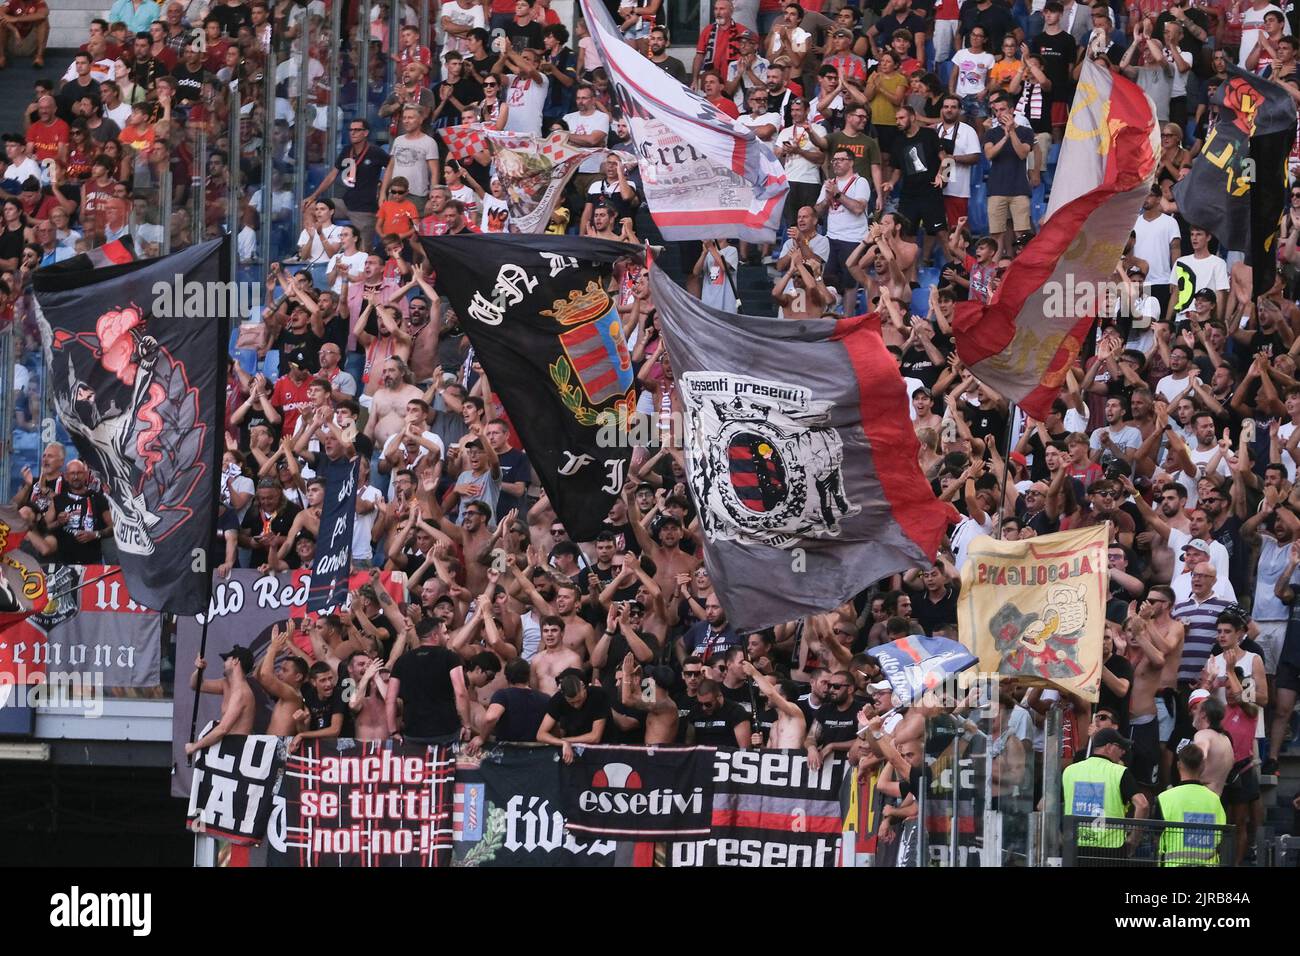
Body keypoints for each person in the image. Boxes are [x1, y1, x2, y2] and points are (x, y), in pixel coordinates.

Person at [1060, 728, 1150, 857]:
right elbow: (1143, 805)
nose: (1124, 752)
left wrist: (1059, 838)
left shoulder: (1069, 771)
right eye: (1121, 747)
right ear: (1109, 747)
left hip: (1074, 847)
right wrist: (1133, 840)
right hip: (1110, 849)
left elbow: (1044, 805)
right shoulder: (1119, 772)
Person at [387, 616, 473, 744]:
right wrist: (467, 725)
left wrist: (393, 731)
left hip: (413, 732)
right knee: (445, 765)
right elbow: (460, 692)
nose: (448, 637)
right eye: (444, 633)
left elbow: (390, 699)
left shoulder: (402, 661)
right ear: (435, 636)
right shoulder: (450, 657)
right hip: (446, 732)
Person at [1154, 742, 1228, 865]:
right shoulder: (1214, 799)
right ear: (1202, 766)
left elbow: (1157, 836)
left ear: (1179, 765)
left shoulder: (1164, 798)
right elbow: (1222, 836)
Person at [185, 645, 255, 755]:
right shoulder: (225, 684)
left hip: (237, 752)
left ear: (235, 661)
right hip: (226, 750)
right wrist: (199, 670)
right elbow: (196, 685)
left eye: (227, 660)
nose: (223, 664)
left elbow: (222, 729)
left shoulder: (242, 692)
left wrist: (195, 746)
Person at [472, 658, 548, 746]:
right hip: (536, 750)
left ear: (506, 677)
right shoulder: (544, 698)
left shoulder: (502, 695)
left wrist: (481, 738)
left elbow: (491, 718)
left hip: (507, 750)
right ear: (528, 675)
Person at [536, 671, 609, 763]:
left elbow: (595, 737)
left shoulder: (597, 695)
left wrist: (566, 740)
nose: (576, 705)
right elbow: (541, 735)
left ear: (583, 687)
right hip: (573, 751)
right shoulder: (558, 700)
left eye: (579, 700)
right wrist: (563, 743)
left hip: (603, 749)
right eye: (571, 702)